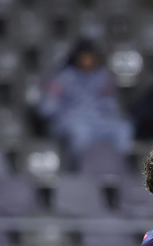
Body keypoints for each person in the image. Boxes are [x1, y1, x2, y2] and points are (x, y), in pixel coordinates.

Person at [36, 37, 133, 169]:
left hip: (98, 121)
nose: (88, 60)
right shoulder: (63, 77)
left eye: (92, 56)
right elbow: (46, 109)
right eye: (85, 56)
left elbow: (112, 106)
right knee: (80, 132)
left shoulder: (102, 77)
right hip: (71, 120)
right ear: (77, 56)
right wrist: (62, 113)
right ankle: (78, 170)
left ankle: (120, 168)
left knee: (124, 127)